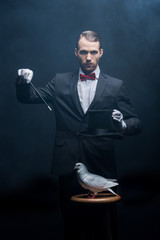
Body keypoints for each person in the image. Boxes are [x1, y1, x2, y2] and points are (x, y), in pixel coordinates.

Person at [15, 30, 142, 239]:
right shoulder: (60, 81)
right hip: (69, 165)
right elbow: (28, 97)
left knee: (105, 227)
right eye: (84, 52)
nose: (89, 57)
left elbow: (136, 123)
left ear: (101, 52)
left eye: (93, 52)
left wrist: (122, 125)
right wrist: (23, 81)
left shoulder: (115, 85)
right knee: (73, 226)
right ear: (76, 52)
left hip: (102, 165)